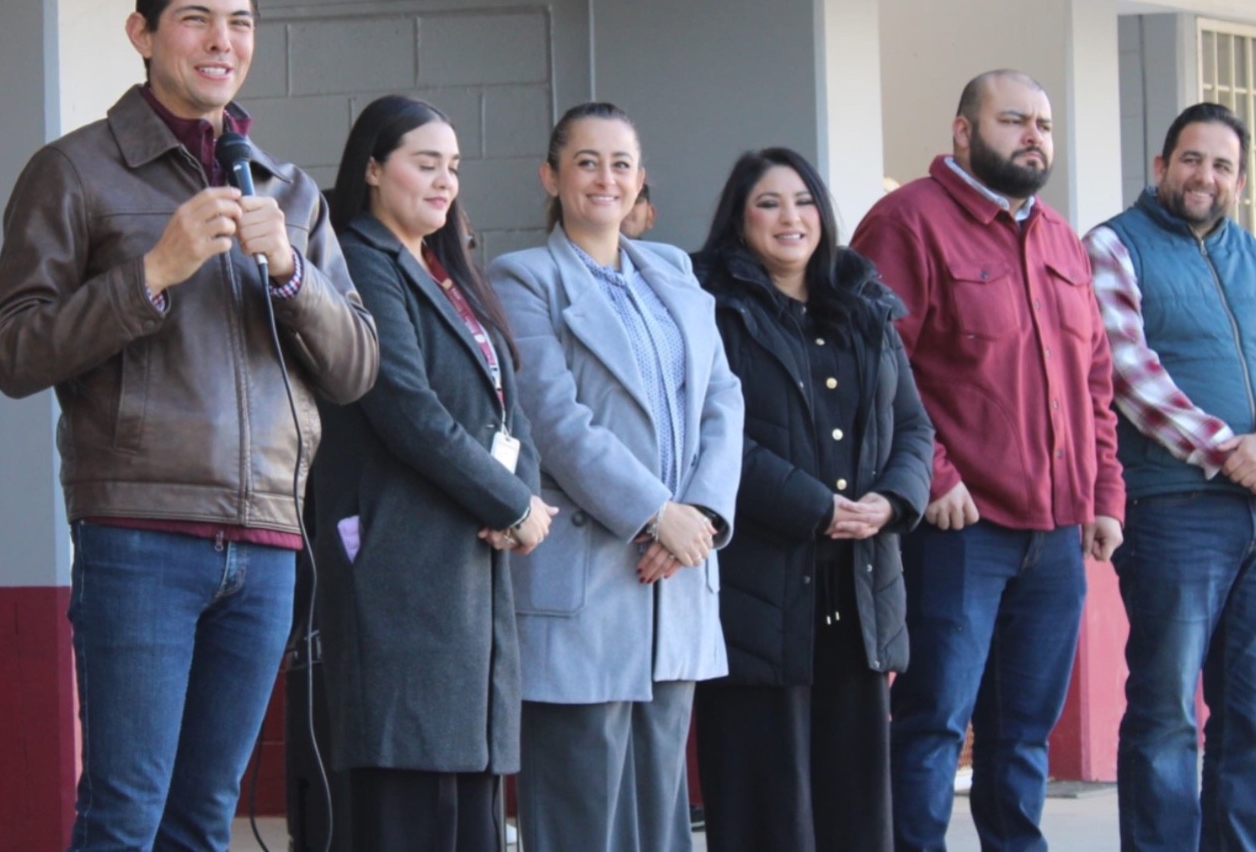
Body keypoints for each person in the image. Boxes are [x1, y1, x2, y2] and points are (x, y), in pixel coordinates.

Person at [0, 0, 378, 851]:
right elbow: (11, 350)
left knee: (202, 822)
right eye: (195, 18)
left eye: (239, 22)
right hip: (138, 531)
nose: (221, 41)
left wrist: (288, 271)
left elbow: (358, 367)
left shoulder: (289, 191)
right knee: (124, 817)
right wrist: (153, 273)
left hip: (271, 538)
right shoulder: (75, 171)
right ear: (143, 34)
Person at [849, 69, 1126, 852]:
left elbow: (1094, 379)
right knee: (933, 725)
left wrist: (1104, 492)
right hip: (960, 532)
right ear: (963, 132)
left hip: (1057, 533)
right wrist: (933, 474)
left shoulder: (1061, 238)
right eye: (1013, 120)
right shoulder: (908, 223)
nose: (1033, 134)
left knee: (1024, 734)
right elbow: (876, 366)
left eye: (1042, 122)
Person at [487, 102, 743, 852]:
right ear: (552, 176)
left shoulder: (673, 271)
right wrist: (652, 513)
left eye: (621, 164)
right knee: (580, 807)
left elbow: (724, 398)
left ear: (640, 182)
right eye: (587, 161)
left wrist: (699, 515)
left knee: (661, 808)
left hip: (678, 574)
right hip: (593, 571)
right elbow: (555, 421)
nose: (606, 178)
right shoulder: (524, 277)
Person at [310, 94, 555, 852]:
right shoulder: (361, 259)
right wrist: (512, 504)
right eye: (426, 163)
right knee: (409, 794)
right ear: (375, 169)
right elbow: (406, 407)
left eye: (453, 166)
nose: (445, 181)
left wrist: (523, 495)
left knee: (467, 801)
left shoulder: (448, 271)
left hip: (468, 564)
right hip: (400, 558)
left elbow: (507, 410)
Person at [1084, 102, 1256, 852]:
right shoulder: (1114, 247)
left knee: (1252, 718)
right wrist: (1234, 453)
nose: (1204, 176)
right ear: (1160, 167)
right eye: (1190, 159)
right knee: (1164, 714)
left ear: (1240, 181)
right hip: (1174, 510)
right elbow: (1130, 375)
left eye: (1221, 165)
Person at [691, 148, 934, 852]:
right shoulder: (711, 307)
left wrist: (893, 500)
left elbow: (913, 425)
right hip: (759, 593)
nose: (790, 218)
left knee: (855, 803)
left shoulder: (863, 306)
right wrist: (815, 507)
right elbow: (716, 436)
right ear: (739, 219)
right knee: (766, 802)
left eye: (803, 201)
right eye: (768, 203)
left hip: (859, 590)